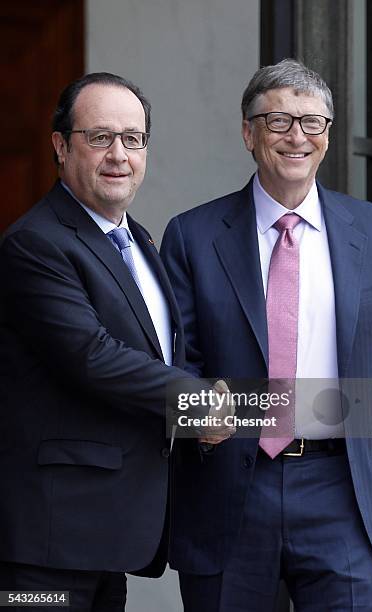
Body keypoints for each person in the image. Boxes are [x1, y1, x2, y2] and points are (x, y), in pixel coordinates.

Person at [160, 59, 372, 611]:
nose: (297, 137)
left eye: (313, 122)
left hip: (344, 490)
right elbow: (177, 363)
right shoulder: (193, 234)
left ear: (327, 135)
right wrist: (199, 413)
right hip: (229, 488)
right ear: (248, 133)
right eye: (278, 122)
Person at [0, 72, 231, 611]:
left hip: (109, 538)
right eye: (100, 137)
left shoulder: (138, 240)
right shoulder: (36, 243)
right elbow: (92, 355)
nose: (119, 155)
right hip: (48, 545)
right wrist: (198, 399)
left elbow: (157, 355)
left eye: (133, 138)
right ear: (61, 146)